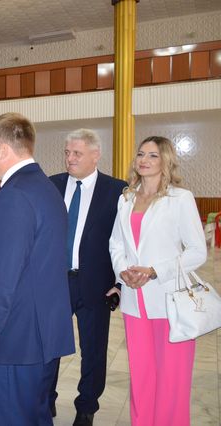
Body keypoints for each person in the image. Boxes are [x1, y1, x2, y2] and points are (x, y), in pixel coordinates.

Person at [0, 113, 75, 425]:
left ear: (3, 150)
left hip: (15, 342)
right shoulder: (45, 187)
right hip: (42, 336)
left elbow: (1, 283)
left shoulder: (13, 196)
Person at [109, 136, 206, 426]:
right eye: (141, 154)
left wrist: (154, 271)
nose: (144, 160)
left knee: (172, 377)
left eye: (152, 155)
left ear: (166, 161)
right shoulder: (126, 198)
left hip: (169, 299)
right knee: (141, 375)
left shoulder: (180, 198)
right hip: (134, 300)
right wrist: (123, 271)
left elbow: (197, 251)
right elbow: (116, 243)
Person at [48, 129, 127, 426]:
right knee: (49, 344)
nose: (70, 158)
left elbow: (124, 240)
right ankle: (46, 398)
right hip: (54, 282)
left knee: (93, 349)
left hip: (96, 284)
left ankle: (87, 406)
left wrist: (118, 283)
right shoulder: (52, 184)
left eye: (77, 153)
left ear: (96, 155)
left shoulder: (117, 190)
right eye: (67, 152)